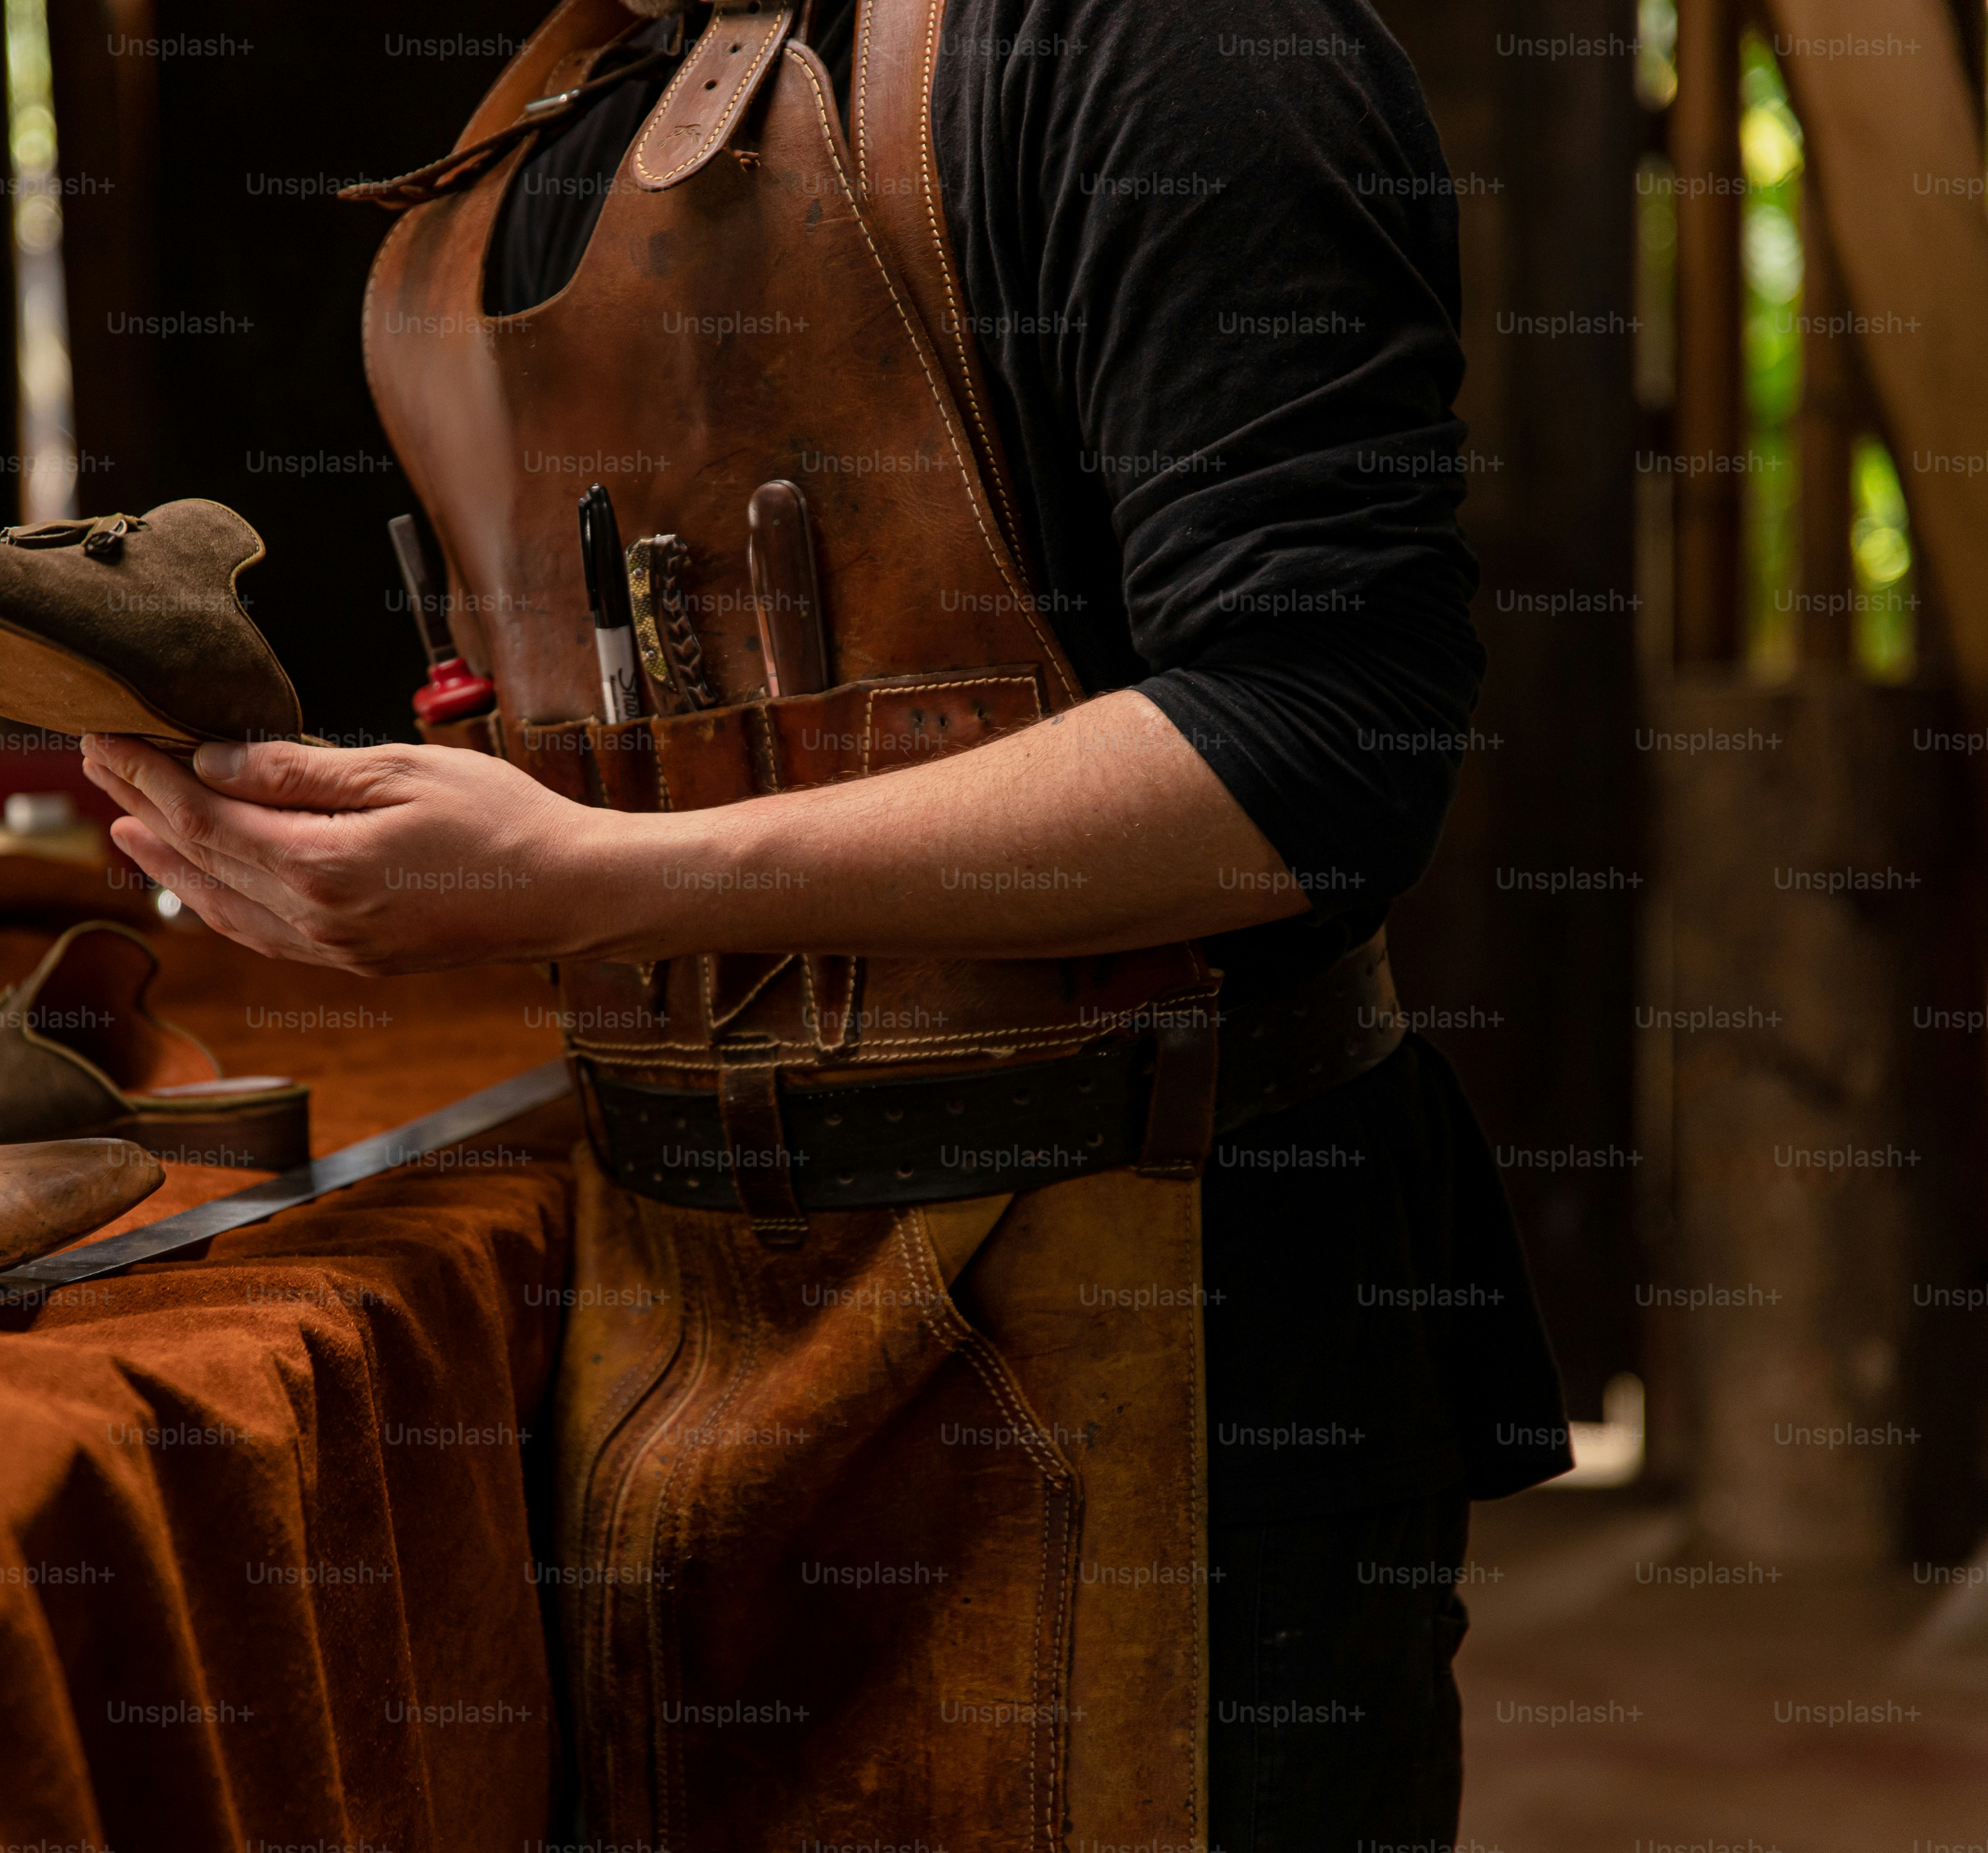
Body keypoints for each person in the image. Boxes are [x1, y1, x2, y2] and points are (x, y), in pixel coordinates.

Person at [82, 0, 1572, 1843]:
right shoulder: (545, 122)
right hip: (671, 1329)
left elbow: (1317, 753)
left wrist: (595, 879)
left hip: (1154, 1319)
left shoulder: (1167, 45)